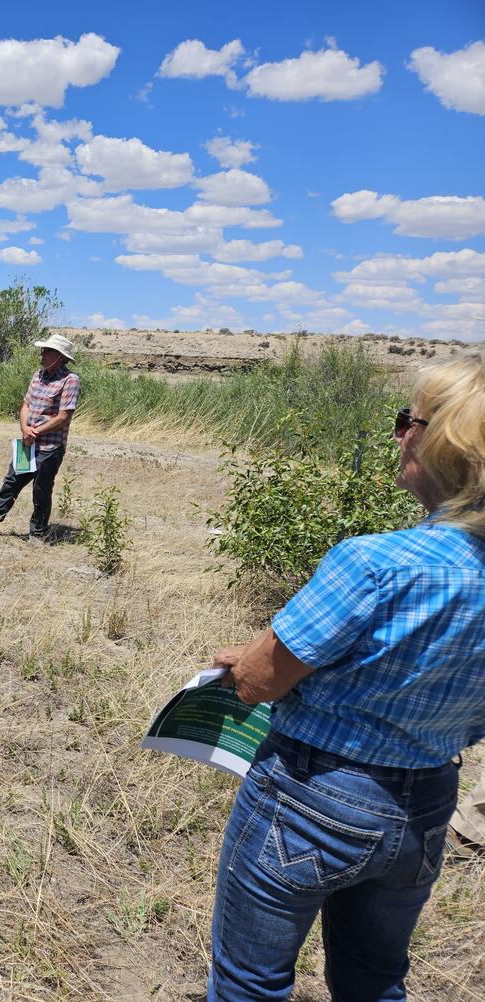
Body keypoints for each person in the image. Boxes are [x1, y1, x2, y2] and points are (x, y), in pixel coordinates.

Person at [207, 353, 485, 1001]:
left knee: (250, 982)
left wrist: (242, 662)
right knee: (376, 979)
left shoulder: (374, 563)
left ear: (438, 443)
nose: (397, 435)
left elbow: (258, 684)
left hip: (311, 797)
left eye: (406, 420)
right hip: (426, 803)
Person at [0, 333, 80, 541]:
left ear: (60, 356)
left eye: (48, 351)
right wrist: (24, 428)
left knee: (41, 491)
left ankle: (38, 534)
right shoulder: (38, 376)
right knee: (10, 484)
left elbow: (64, 417)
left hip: (50, 448)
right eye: (43, 350)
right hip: (28, 445)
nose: (42, 354)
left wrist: (34, 432)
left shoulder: (70, 380)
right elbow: (26, 405)